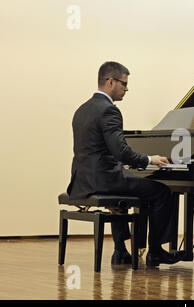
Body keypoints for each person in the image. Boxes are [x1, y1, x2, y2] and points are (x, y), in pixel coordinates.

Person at [66, 61, 184, 267]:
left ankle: (120, 251)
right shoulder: (109, 110)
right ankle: (155, 251)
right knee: (161, 192)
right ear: (110, 81)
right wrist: (150, 159)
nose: (126, 88)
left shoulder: (82, 109)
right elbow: (121, 152)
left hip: (82, 180)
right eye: (124, 83)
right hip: (105, 180)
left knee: (127, 197)